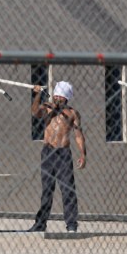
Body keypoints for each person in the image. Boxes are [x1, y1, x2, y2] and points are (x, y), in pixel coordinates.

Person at [28, 81, 86, 233]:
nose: (57, 99)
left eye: (60, 97)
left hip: (63, 154)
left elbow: (78, 135)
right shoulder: (47, 108)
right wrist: (38, 94)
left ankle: (71, 224)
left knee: (68, 189)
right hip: (48, 152)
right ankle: (40, 223)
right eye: (56, 96)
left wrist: (83, 154)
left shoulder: (73, 113)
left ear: (66, 98)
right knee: (47, 190)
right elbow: (34, 112)